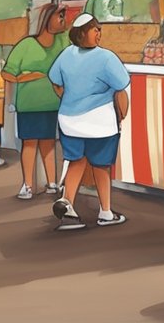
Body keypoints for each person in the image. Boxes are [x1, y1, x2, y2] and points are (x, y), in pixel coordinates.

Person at [48, 14, 131, 230]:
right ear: (82, 33)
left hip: (69, 121)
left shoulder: (66, 54)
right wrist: (122, 115)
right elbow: (121, 88)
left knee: (76, 162)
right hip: (99, 123)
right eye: (95, 30)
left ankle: (68, 206)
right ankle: (105, 212)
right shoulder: (106, 58)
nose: (99, 34)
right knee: (101, 167)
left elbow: (55, 82)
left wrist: (69, 100)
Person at [2, 3, 68, 200]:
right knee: (29, 144)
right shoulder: (26, 45)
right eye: (60, 16)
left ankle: (52, 183)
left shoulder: (62, 44)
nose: (63, 20)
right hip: (29, 105)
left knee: (48, 143)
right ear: (47, 19)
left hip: (53, 103)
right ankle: (28, 185)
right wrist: (25, 78)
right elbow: (7, 73)